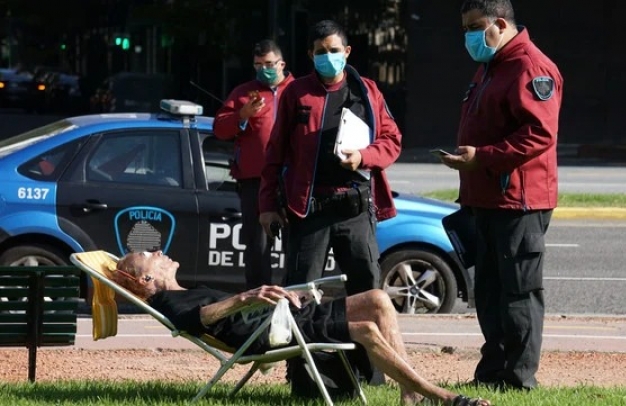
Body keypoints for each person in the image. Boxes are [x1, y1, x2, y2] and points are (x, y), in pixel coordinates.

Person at [110, 250, 491, 406]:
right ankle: (444, 399)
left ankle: (410, 396)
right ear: (144, 281)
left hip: (282, 318)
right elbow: (202, 320)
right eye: (150, 256)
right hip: (272, 333)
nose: (159, 253)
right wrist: (248, 297)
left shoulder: (183, 291)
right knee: (367, 330)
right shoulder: (171, 302)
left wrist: (268, 298)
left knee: (378, 297)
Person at [439, 0, 564, 391]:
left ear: (500, 22)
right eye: (464, 30)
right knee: (490, 292)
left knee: (519, 292)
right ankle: (492, 372)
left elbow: (540, 134)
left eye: (475, 27)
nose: (469, 37)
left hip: (519, 201)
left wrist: (484, 158)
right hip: (488, 198)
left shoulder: (530, 66)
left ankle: (519, 378)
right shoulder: (491, 67)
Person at [257, 20, 402, 298]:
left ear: (347, 51)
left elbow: (392, 141)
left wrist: (363, 156)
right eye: (321, 52)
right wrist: (267, 205)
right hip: (310, 209)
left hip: (355, 207)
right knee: (299, 292)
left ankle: (364, 343)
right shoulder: (296, 93)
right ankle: (303, 342)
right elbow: (274, 153)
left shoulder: (367, 91)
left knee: (366, 292)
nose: (328, 57)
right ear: (311, 55)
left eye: (333, 50)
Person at [213, 39, 295, 289]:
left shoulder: (298, 90)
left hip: (293, 179)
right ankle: (259, 299)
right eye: (258, 65)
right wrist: (242, 115)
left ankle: (295, 298)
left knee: (297, 243)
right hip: (255, 181)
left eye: (269, 64)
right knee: (257, 246)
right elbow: (219, 129)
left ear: (281, 63)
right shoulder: (243, 93)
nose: (264, 69)